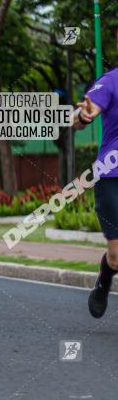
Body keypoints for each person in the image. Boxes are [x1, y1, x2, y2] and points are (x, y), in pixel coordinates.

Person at [72, 65, 118, 318]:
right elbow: (82, 115)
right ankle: (104, 281)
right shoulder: (110, 81)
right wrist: (83, 116)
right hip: (112, 176)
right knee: (116, 259)